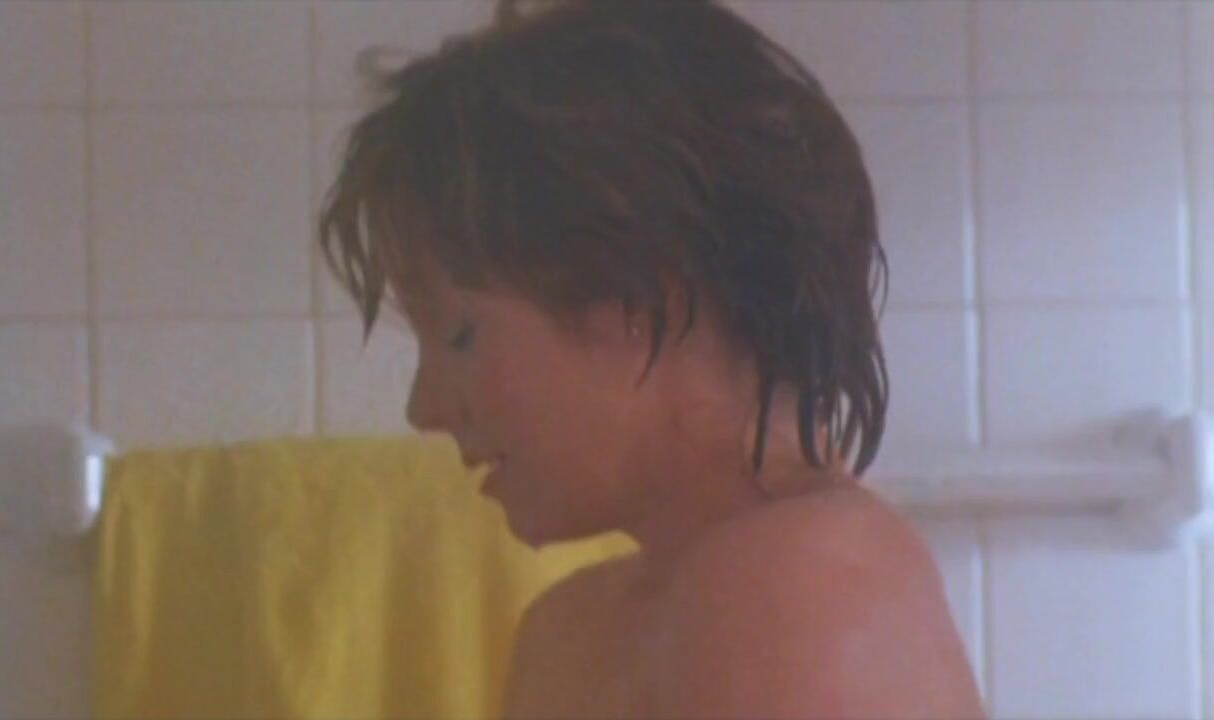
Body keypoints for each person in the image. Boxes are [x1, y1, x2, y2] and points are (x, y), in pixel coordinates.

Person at [318, 0, 986, 717]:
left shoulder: (794, 587)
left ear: (632, 296)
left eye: (460, 335)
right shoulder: (571, 628)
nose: (423, 408)